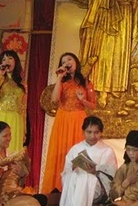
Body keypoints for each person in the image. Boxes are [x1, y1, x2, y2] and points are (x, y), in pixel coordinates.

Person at [48, 116, 117, 206]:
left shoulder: (107, 151)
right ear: (83, 132)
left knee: (84, 177)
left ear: (101, 133)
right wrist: (74, 167)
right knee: (74, 175)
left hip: (98, 187)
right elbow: (65, 172)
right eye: (89, 132)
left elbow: (111, 176)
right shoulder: (76, 148)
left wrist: (95, 172)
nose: (92, 136)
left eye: (96, 132)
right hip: (77, 183)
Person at [41, 52, 97, 194]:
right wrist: (59, 77)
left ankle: (78, 190)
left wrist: (82, 100)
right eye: (63, 61)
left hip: (78, 120)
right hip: (62, 120)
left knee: (79, 153)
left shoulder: (85, 82)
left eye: (69, 59)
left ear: (75, 62)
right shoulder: (62, 82)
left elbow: (93, 105)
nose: (67, 63)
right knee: (60, 153)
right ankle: (57, 190)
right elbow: (54, 100)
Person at [0, 50, 26, 152]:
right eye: (4, 59)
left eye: (10, 58)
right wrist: (0, 75)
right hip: (1, 116)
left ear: (15, 62)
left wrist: (24, 130)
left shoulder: (22, 83)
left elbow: (23, 107)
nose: (7, 61)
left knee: (13, 151)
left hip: (16, 119)